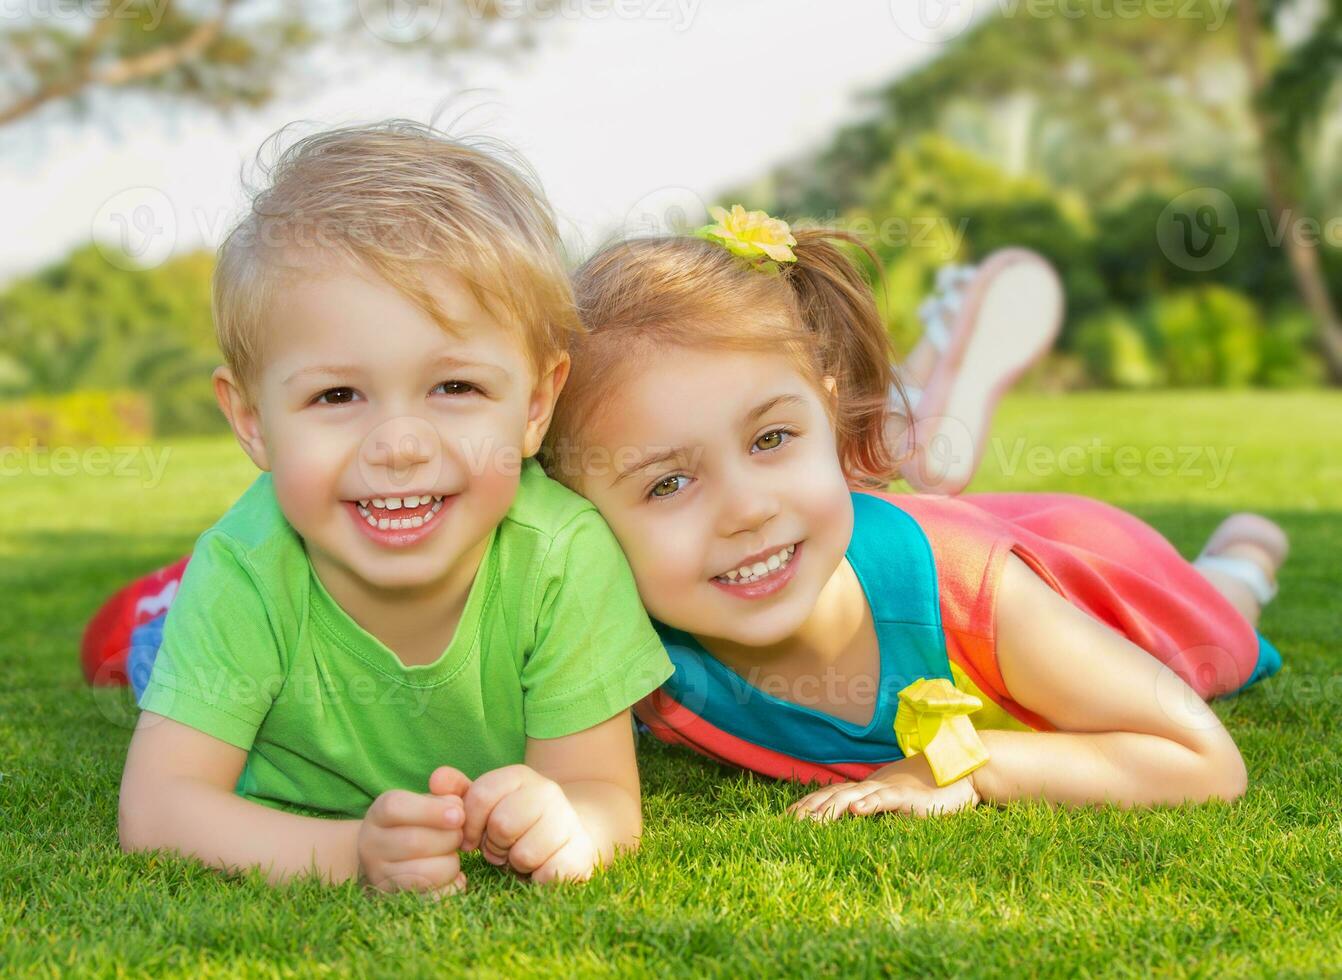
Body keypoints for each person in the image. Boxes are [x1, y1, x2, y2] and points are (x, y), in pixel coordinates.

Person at [539, 204, 1287, 819]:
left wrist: (953, 767)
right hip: (952, 531)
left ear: (831, 424)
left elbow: (1202, 762)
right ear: (579, 519)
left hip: (1096, 574)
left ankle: (1243, 556)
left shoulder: (970, 595)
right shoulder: (624, 647)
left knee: (1218, 618)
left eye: (772, 438)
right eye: (667, 484)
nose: (747, 510)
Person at [113, 122, 673, 893]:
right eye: (337, 395)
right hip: (220, 626)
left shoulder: (563, 554)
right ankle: (149, 615)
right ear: (252, 422)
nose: (401, 445)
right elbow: (160, 809)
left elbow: (603, 793)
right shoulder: (247, 568)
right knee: (145, 652)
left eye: (456, 387)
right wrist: (352, 855)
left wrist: (566, 819)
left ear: (537, 402)